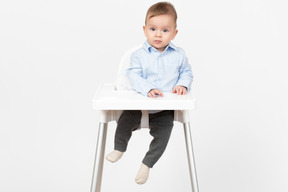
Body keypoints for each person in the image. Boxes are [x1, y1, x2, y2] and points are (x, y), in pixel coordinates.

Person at [105, 1, 193, 184]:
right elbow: (133, 74)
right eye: (153, 29)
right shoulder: (138, 55)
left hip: (164, 107)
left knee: (164, 133)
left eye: (165, 30)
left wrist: (182, 85)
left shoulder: (179, 55)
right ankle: (119, 147)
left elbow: (186, 72)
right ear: (145, 30)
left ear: (175, 33)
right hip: (139, 103)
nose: (158, 34)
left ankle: (147, 164)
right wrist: (148, 89)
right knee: (125, 120)